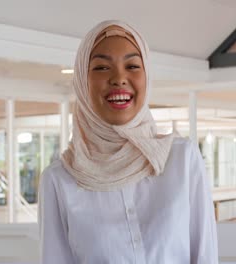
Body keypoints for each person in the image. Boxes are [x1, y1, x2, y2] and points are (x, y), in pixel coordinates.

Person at [38, 20, 218, 263]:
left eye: (132, 65)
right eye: (101, 68)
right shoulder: (60, 179)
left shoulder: (182, 160)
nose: (119, 78)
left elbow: (205, 255)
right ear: (82, 80)